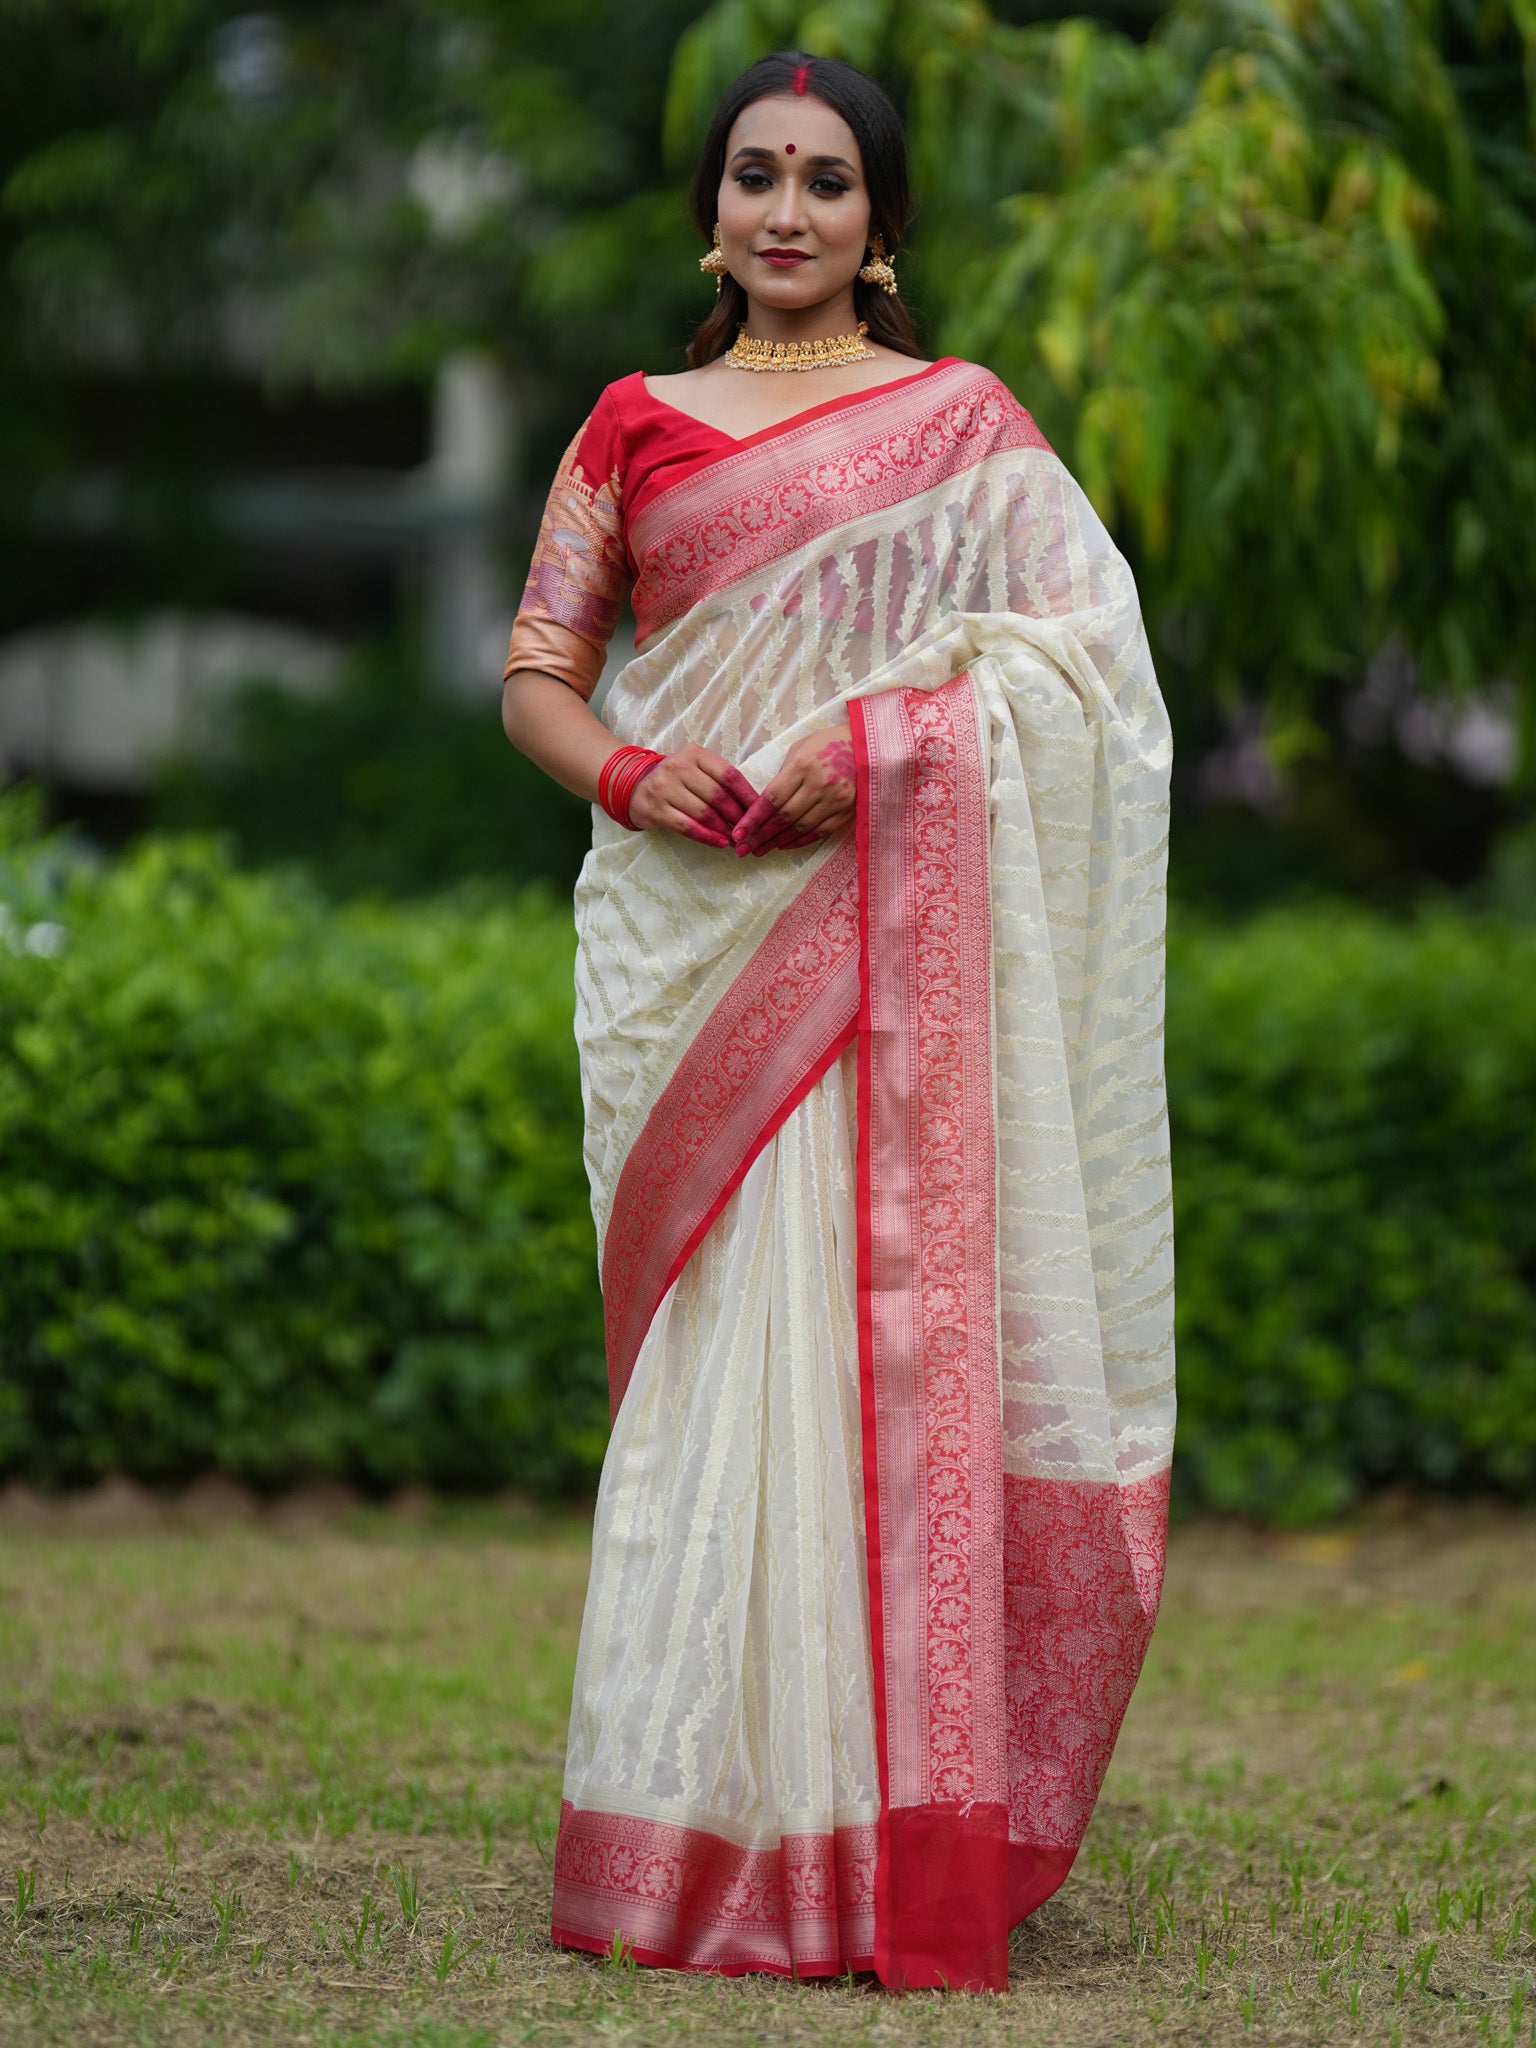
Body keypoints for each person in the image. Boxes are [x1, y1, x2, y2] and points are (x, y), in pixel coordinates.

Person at [500, 49, 1174, 1995]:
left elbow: (1089, 663)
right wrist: (639, 779)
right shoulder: (631, 426)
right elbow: (542, 672)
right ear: (710, 211)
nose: (783, 209)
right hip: (689, 943)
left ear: (880, 227)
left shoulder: (962, 423)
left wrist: (880, 749)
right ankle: (689, 1821)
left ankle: (886, 1832)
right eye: (753, 175)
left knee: (874, 1361)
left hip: (890, 943)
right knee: (720, 1372)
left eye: (824, 180)